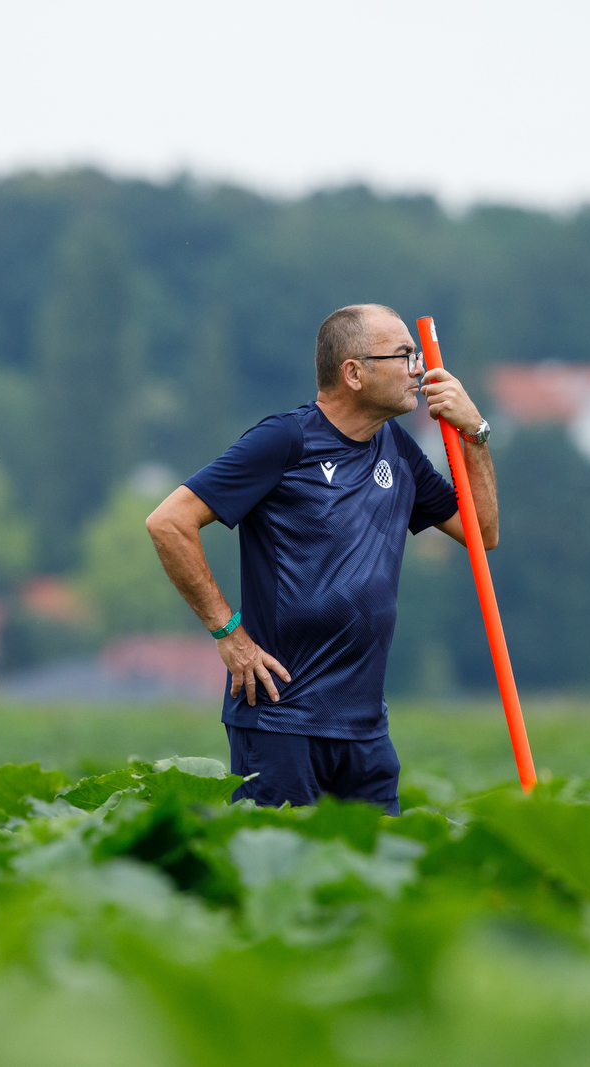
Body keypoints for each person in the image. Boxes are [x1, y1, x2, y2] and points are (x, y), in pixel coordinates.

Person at [145, 304, 498, 813]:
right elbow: (168, 522)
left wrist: (475, 435)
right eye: (402, 355)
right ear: (353, 372)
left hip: (365, 732)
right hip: (281, 723)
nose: (419, 369)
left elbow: (481, 533)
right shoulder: (285, 440)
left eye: (415, 354)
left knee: (378, 882)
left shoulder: (396, 448)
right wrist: (228, 634)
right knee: (281, 879)